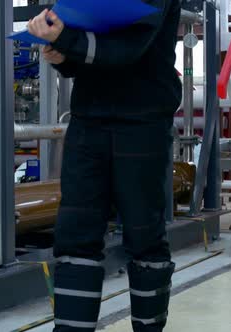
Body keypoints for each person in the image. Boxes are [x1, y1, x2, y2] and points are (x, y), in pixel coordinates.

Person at [28, 1, 182, 331]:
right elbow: (89, 53)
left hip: (141, 124)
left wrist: (67, 39)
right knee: (75, 236)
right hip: (89, 121)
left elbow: (129, 48)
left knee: (144, 238)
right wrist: (63, 57)